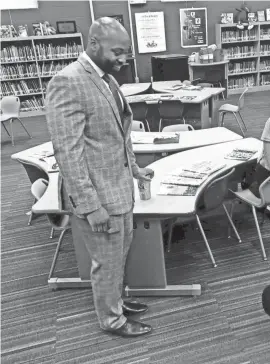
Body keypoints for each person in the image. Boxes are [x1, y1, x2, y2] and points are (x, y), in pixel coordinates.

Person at [45, 17, 154, 338]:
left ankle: (117, 300)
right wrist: (91, 207)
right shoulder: (68, 82)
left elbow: (119, 136)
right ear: (93, 44)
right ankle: (112, 320)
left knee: (119, 254)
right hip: (98, 197)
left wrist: (134, 169)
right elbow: (68, 152)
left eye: (127, 53)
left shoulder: (106, 79)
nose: (123, 59)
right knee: (106, 261)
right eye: (117, 51)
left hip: (119, 189)